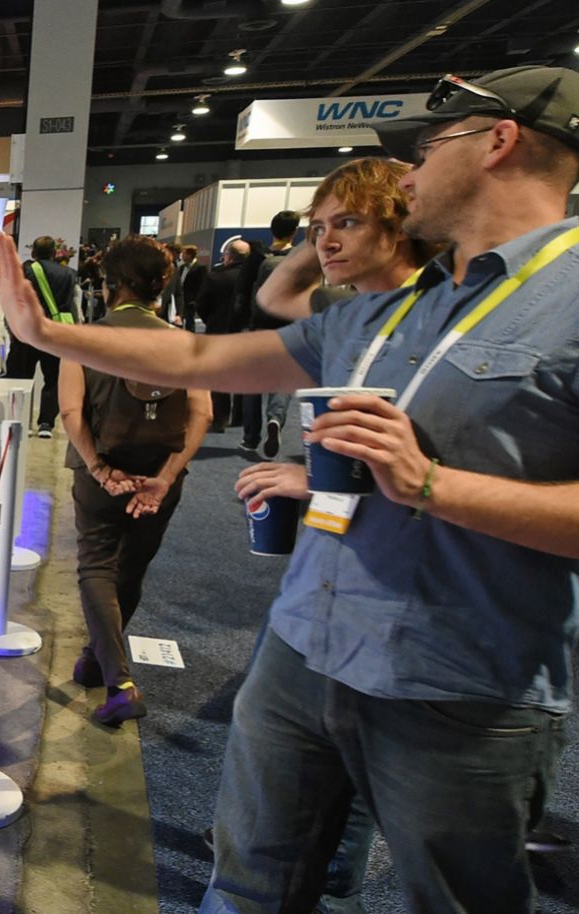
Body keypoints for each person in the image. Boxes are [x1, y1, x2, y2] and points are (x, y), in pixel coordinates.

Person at [0, 66, 579, 914]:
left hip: (457, 684)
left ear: (498, 143)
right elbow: (193, 360)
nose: (409, 176)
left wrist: (432, 485)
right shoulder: (389, 311)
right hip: (303, 647)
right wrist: (44, 331)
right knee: (247, 878)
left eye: (429, 150)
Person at [234, 156, 437, 914]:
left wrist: (311, 480)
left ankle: (333, 885)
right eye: (321, 230)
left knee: (358, 785)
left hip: (400, 596)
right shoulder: (352, 318)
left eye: (349, 224)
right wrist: (319, 225)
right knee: (278, 796)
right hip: (317, 580)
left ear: (401, 221)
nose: (328, 244)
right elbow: (275, 293)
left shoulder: (437, 314)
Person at [59, 236, 211, 725]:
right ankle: (95, 657)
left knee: (96, 567)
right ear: (160, 286)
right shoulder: (187, 342)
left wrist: (100, 470)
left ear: (109, 286)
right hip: (159, 480)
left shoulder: (85, 339)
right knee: (130, 570)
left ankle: (119, 683)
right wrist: (165, 478)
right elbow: (202, 413)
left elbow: (69, 411)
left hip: (101, 474)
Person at [239, 210, 302, 456]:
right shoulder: (300, 259)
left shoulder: (257, 259)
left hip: (258, 327)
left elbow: (242, 294)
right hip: (289, 327)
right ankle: (275, 419)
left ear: (271, 229)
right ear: (295, 232)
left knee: (251, 384)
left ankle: (250, 437)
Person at [5, 235, 79, 437]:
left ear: (34, 252)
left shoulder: (23, 271)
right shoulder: (68, 274)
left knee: (19, 377)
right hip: (54, 333)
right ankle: (46, 423)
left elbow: (13, 301)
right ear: (55, 253)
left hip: (25, 333)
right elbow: (71, 306)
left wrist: (11, 329)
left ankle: (20, 420)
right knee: (54, 378)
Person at [192, 239, 248, 429]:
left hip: (219, 331)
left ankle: (220, 418)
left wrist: (212, 321)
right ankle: (240, 417)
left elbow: (201, 305)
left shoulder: (215, 277)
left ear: (228, 256)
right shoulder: (255, 278)